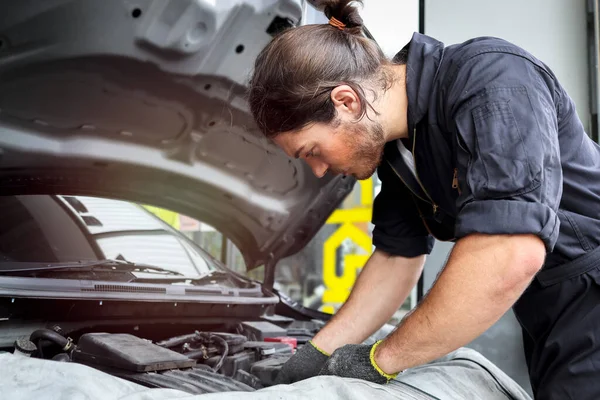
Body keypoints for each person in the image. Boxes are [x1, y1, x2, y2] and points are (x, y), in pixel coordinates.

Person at [247, 1, 600, 399]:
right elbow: (397, 257)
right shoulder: (398, 152)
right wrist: (316, 354)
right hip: (549, 310)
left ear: (347, 101)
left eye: (311, 150)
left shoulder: (492, 80)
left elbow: (509, 251)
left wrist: (380, 359)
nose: (318, 170)